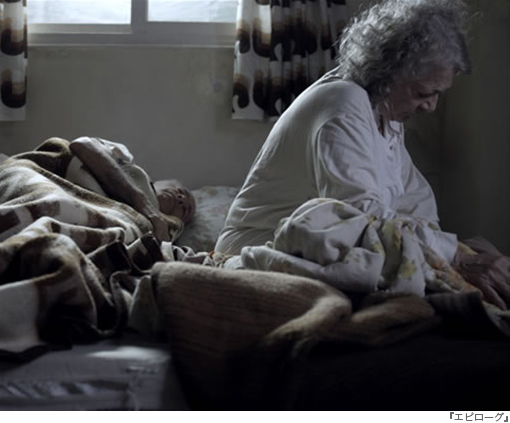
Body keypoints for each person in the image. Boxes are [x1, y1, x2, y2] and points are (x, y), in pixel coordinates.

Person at [215, 0, 510, 309]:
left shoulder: (385, 114)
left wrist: (459, 250)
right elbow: (363, 223)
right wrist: (454, 256)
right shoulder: (344, 104)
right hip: (261, 244)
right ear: (388, 72)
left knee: (472, 258)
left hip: (317, 243)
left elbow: (417, 206)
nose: (431, 106)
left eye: (437, 94)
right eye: (423, 93)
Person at [67, 136, 195, 243]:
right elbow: (82, 144)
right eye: (181, 191)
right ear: (159, 182)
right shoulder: (126, 159)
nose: (182, 199)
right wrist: (143, 204)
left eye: (185, 209)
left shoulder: (166, 234)